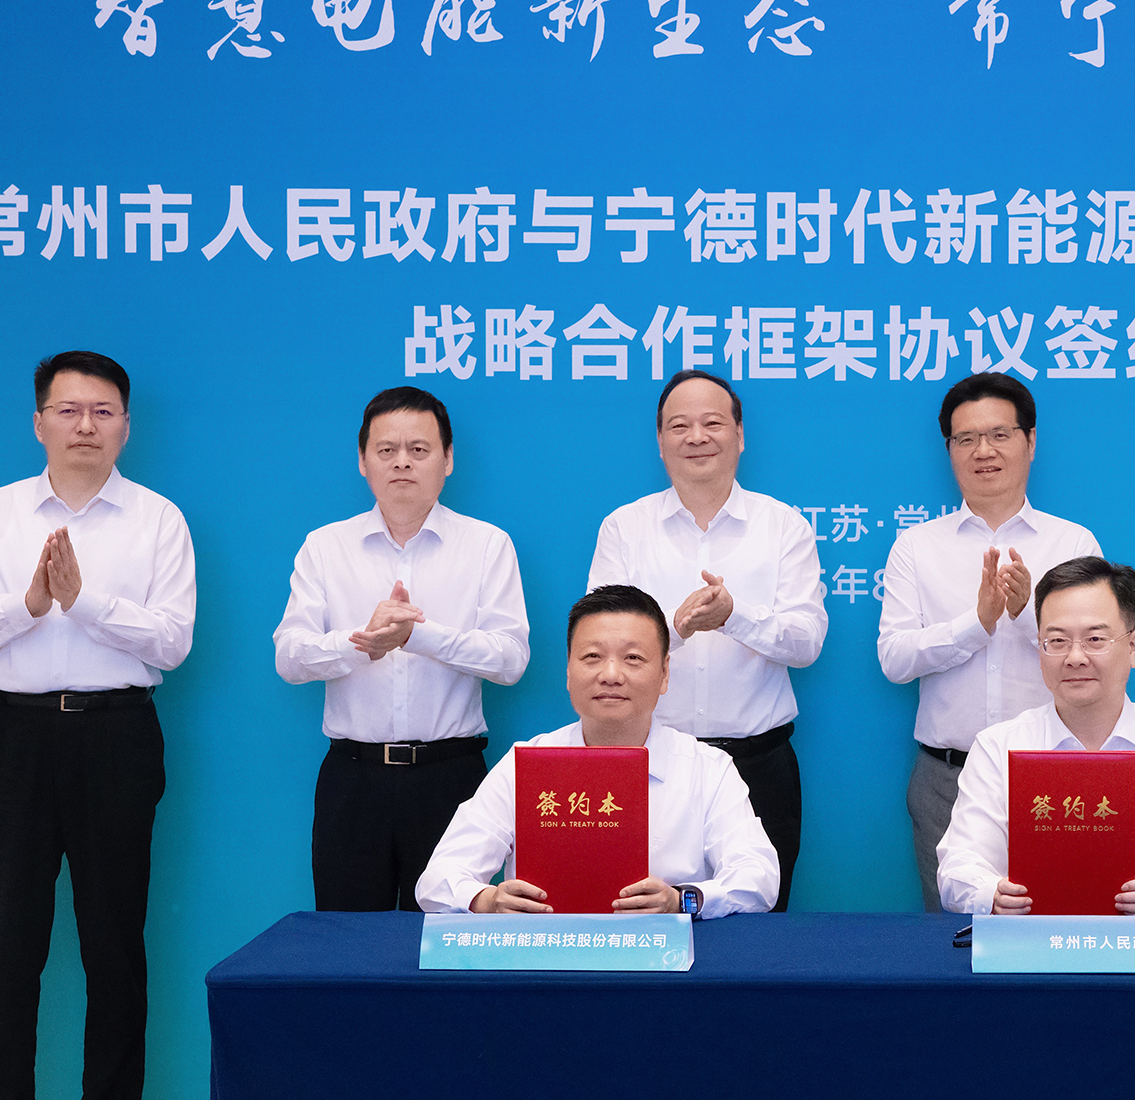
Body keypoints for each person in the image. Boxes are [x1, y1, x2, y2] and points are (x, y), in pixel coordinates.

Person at [0, 351, 195, 1100]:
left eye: (103, 412)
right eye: (69, 410)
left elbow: (173, 642)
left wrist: (84, 603)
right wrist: (28, 605)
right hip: (11, 740)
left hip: (116, 738)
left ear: (126, 427)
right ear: (39, 422)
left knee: (115, 948)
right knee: (5, 949)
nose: (86, 425)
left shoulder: (159, 519)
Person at [274, 386, 529, 912]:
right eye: (386, 450)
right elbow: (290, 657)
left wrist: (418, 636)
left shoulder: (487, 545)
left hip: (450, 778)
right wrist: (362, 644)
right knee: (347, 940)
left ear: (447, 459)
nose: (402, 463)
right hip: (353, 778)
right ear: (363, 461)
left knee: (450, 940)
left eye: (419, 449)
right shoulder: (325, 546)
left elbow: (510, 660)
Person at [587, 369, 824, 910]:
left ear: (739, 435)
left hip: (758, 763)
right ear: (660, 441)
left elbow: (807, 643)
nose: (697, 437)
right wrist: (676, 629)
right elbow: (599, 642)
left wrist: (734, 616)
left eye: (712, 423)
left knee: (758, 925)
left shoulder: (783, 526)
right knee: (635, 916)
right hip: (647, 765)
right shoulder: (624, 527)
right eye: (679, 426)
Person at [417, 585, 780, 918]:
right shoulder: (527, 762)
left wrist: (681, 900)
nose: (611, 674)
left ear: (665, 673)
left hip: (663, 957)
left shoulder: (707, 768)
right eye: (592, 656)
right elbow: (437, 879)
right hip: (549, 954)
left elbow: (759, 878)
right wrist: (486, 901)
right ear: (568, 671)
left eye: (633, 658)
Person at [879, 373, 1101, 910]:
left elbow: (1095, 656)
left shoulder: (1071, 541)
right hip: (946, 778)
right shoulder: (916, 546)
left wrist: (1025, 615)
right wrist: (975, 625)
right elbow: (895, 659)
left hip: (1054, 772)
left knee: (1062, 922)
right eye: (967, 438)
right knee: (951, 933)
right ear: (950, 450)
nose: (984, 451)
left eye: (1000, 435)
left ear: (1030, 441)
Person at [937, 557, 1135, 916]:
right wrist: (992, 894)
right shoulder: (997, 747)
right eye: (1056, 641)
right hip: (1029, 944)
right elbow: (959, 865)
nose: (1075, 657)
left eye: (1095, 639)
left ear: (1133, 647)